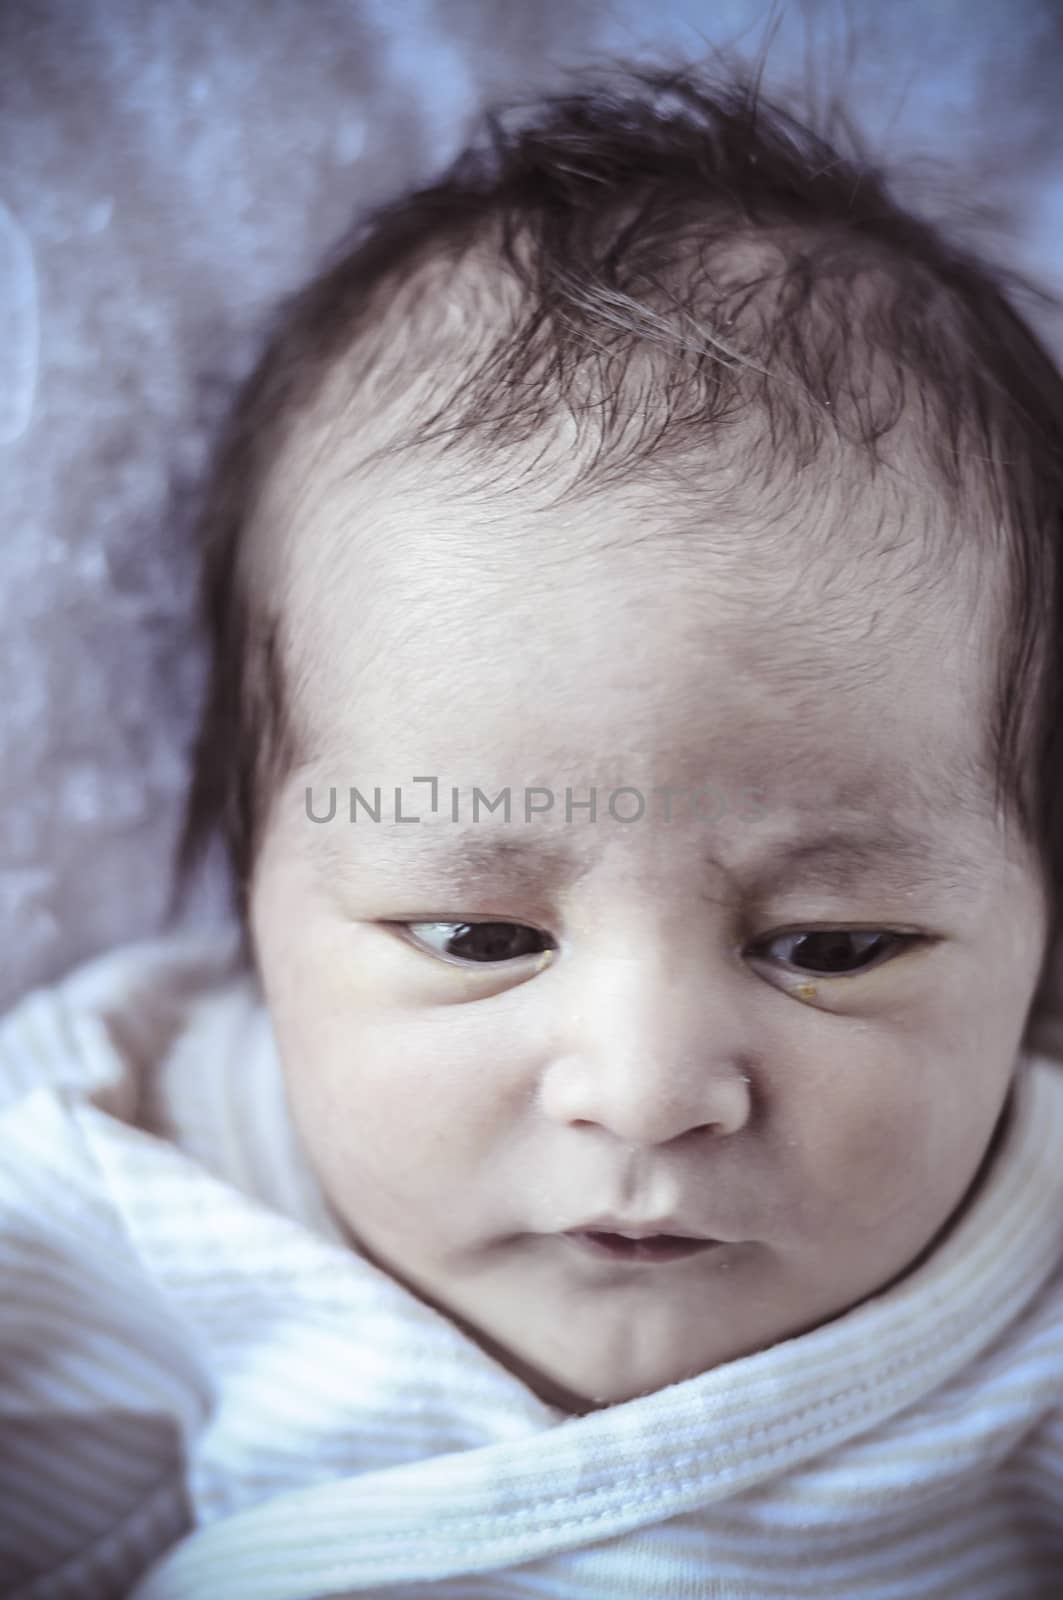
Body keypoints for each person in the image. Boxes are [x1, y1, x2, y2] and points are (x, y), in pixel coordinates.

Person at [4, 58, 1063, 1600]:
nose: (644, 1095)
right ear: (256, 895)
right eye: (478, 937)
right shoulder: (121, 1163)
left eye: (835, 946)